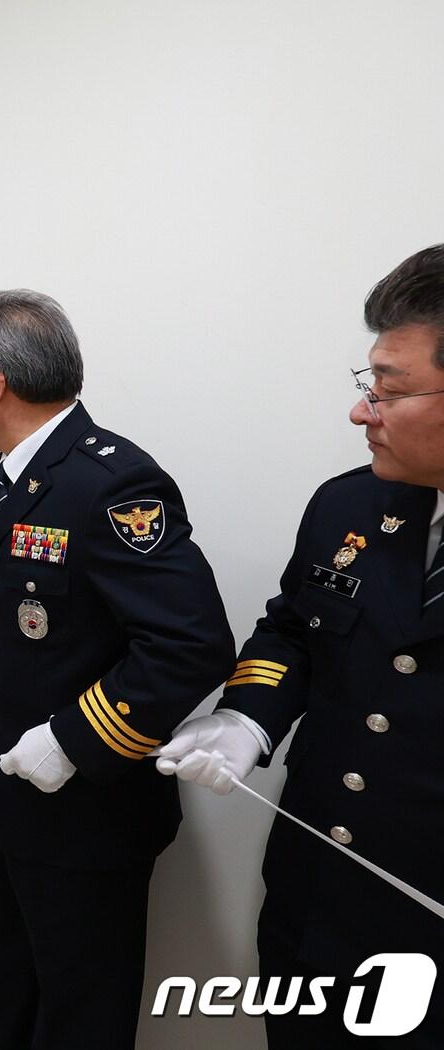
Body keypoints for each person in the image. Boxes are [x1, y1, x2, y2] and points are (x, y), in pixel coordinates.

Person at [0, 291, 234, 1049]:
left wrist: (71, 741)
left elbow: (190, 644)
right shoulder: (0, 480)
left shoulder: (110, 483)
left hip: (88, 811)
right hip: (6, 793)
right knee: (9, 977)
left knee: (81, 1011)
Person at [158, 244, 444, 1047]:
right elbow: (294, 626)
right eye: (368, 386)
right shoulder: (349, 506)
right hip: (317, 891)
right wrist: (247, 717)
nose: (363, 412)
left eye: (389, 391)